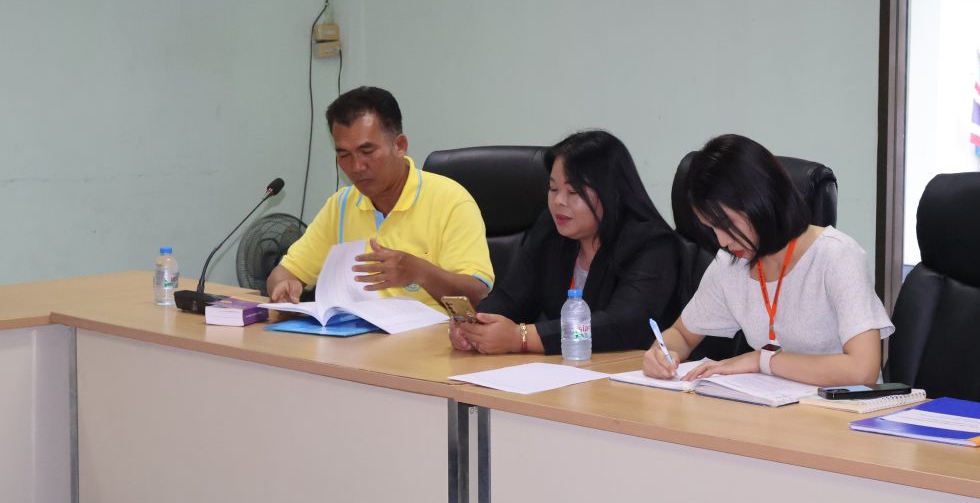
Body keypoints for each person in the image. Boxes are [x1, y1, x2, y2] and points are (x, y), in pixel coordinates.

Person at [643, 134, 893, 386]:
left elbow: (863, 371)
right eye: (711, 228)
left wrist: (762, 361)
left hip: (844, 406)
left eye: (726, 224)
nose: (721, 241)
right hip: (775, 405)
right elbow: (681, 335)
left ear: (760, 201)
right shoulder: (730, 265)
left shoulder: (837, 256)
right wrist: (663, 354)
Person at [451, 130, 683, 355]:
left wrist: (521, 338)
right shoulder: (551, 231)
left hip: (630, 371)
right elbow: (511, 297)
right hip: (567, 370)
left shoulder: (652, 245)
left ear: (610, 192)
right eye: (553, 189)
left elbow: (623, 324)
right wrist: (476, 325)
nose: (558, 201)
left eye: (572, 191)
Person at [266, 86, 494, 309]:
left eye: (367, 152)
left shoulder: (451, 201)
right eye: (344, 155)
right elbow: (284, 273)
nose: (356, 166)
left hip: (429, 333)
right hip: (354, 332)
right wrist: (284, 286)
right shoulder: (341, 205)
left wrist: (420, 272)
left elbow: (476, 293)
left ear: (399, 146)